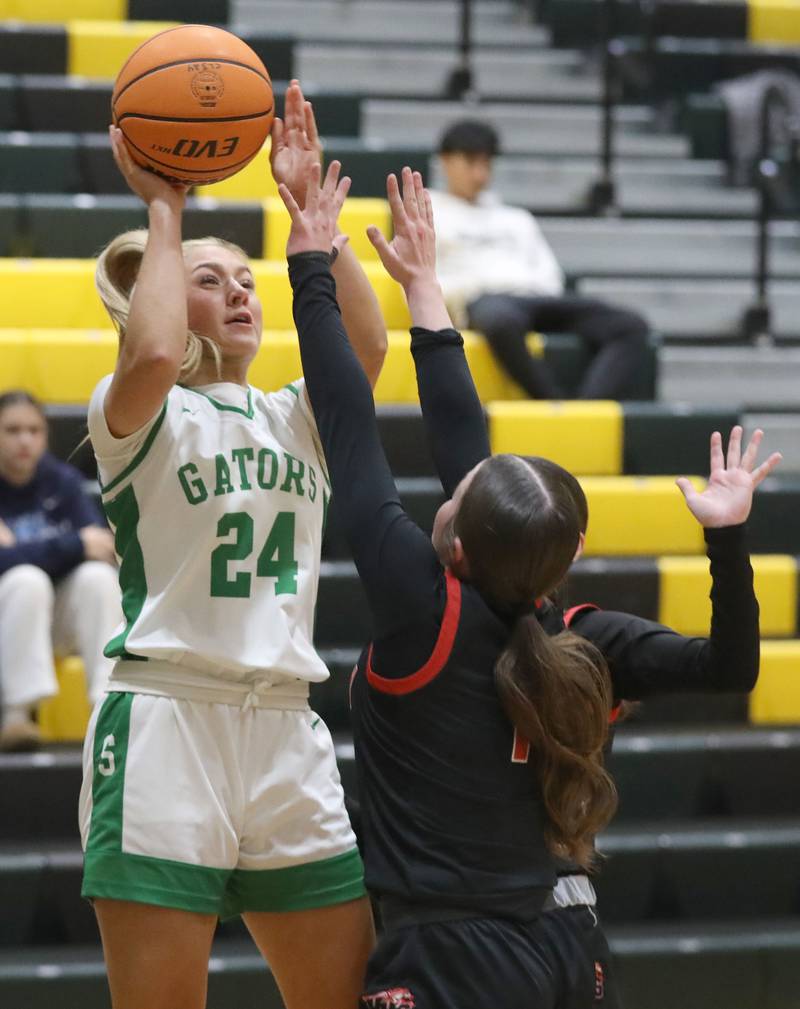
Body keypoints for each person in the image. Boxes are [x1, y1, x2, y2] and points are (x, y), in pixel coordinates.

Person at [406, 206, 780, 1006]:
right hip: (563, 923)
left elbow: (454, 435)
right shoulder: (589, 639)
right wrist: (727, 540)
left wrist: (423, 291)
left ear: (468, 538)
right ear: (572, 555)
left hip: (462, 928)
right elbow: (732, 666)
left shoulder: (438, 617)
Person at [280, 160, 623, 1005]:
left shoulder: (423, 604)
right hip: (565, 938)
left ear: (463, 542)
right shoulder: (535, 594)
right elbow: (462, 441)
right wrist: (424, 289)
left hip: (461, 955)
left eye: (463, 488)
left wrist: (310, 265)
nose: (455, 477)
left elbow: (350, 426)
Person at [78, 81, 383, 1009]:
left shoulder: (297, 414)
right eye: (211, 280)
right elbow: (158, 352)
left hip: (287, 722)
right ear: (163, 294)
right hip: (167, 717)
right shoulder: (133, 408)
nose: (241, 291)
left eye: (247, 279)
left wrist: (313, 229)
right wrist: (165, 209)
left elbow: (365, 353)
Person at [430, 118, 651, 400]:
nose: (480, 174)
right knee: (499, 321)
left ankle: (582, 412)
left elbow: (549, 272)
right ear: (446, 160)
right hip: (483, 300)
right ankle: (551, 402)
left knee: (630, 325)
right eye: (471, 162)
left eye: (486, 164)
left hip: (535, 298)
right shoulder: (428, 210)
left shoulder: (515, 217)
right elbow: (423, 277)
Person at [0, 390, 120, 752]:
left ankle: (106, 708)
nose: (25, 440)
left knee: (97, 580)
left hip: (52, 617)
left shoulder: (62, 481)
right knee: (26, 580)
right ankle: (17, 715)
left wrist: (22, 551)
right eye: (13, 430)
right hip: (9, 616)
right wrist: (70, 545)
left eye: (34, 430)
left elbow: (100, 548)